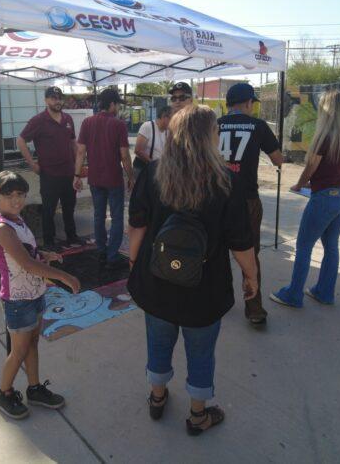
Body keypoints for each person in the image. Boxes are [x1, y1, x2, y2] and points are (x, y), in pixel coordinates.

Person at [127, 105, 259, 436]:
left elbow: (137, 225)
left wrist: (133, 262)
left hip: (157, 282)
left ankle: (157, 398)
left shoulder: (154, 172)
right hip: (204, 290)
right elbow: (241, 242)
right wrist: (251, 276)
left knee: (157, 343)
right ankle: (198, 415)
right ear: (208, 137)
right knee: (201, 353)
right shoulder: (226, 180)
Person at [0, 171, 81, 419]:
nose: (16, 200)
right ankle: (4, 392)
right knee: (18, 351)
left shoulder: (17, 219)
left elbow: (27, 254)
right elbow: (26, 265)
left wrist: (44, 256)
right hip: (18, 300)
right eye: (9, 196)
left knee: (33, 343)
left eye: (20, 194)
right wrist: (64, 277)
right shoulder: (2, 228)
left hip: (35, 293)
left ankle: (35, 388)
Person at [270, 89, 340, 308]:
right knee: (331, 245)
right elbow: (336, 169)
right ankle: (324, 292)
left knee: (304, 246)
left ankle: (293, 294)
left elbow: (312, 166)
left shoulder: (325, 136)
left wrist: (300, 184)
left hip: (326, 197)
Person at [216, 82, 283, 326]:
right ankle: (254, 309)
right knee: (249, 253)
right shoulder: (259, 126)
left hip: (217, 197)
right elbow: (278, 160)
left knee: (215, 251)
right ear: (247, 103)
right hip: (246, 199)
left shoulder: (215, 124)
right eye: (252, 103)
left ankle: (217, 300)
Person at [74, 87, 135, 270]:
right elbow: (125, 156)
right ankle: (112, 254)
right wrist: (130, 176)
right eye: (117, 104)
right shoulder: (119, 125)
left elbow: (80, 152)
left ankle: (101, 249)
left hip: (94, 178)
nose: (118, 108)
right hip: (113, 178)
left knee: (99, 215)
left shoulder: (87, 122)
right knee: (116, 217)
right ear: (112, 104)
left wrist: (76, 175)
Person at [17, 86, 81, 250]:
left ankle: (72, 236)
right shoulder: (38, 120)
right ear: (46, 100)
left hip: (68, 172)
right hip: (49, 174)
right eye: (53, 98)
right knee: (49, 210)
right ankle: (49, 241)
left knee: (69, 208)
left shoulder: (67, 119)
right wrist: (32, 163)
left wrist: (78, 168)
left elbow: (73, 142)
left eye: (59, 98)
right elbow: (21, 140)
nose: (57, 101)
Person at [133, 106, 172, 177]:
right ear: (164, 117)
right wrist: (154, 164)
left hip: (158, 169)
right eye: (172, 119)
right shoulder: (147, 126)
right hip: (143, 168)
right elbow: (138, 150)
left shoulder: (168, 131)